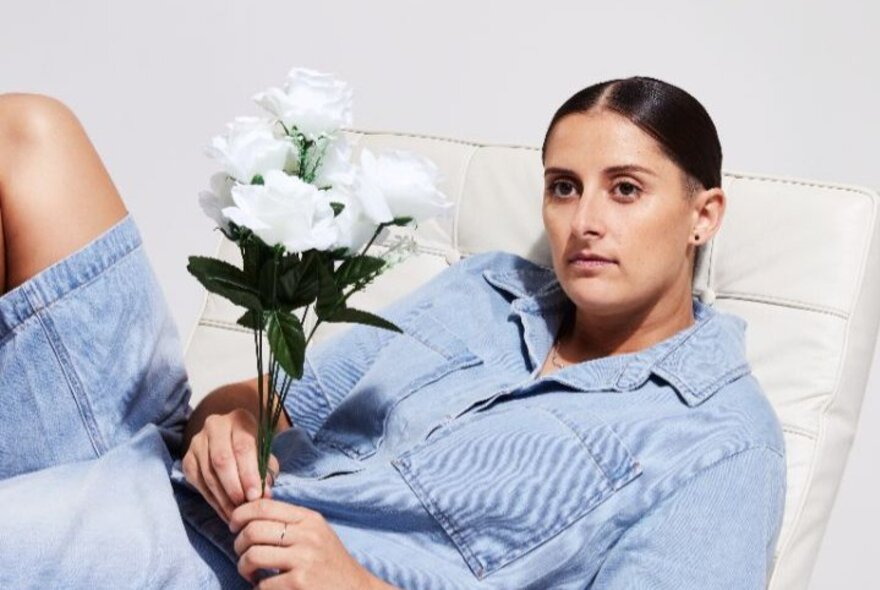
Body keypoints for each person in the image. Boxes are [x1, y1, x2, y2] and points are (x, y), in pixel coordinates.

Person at [0, 76, 786, 589]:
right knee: (27, 132)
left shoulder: (720, 443)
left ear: (702, 215)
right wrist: (230, 424)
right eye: (563, 187)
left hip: (224, 570)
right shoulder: (485, 291)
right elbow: (277, 408)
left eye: (625, 190)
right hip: (180, 493)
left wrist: (358, 584)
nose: (585, 222)